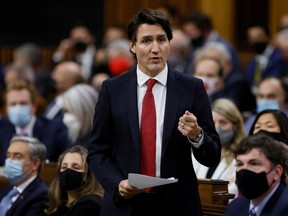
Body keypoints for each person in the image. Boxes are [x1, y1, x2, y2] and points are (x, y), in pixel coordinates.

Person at [88, 8, 221, 216]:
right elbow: (97, 151)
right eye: (146, 41)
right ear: (132, 45)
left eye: (161, 40)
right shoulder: (112, 90)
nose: (155, 48)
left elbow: (212, 156)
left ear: (170, 42)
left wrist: (197, 135)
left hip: (177, 205)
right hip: (126, 205)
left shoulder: (192, 88)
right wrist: (117, 183)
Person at [0, 80, 71, 166]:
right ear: (6, 109)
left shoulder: (55, 129)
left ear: (34, 106)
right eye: (13, 104)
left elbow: (67, 159)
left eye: (23, 103)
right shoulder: (2, 131)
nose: (18, 108)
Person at [224, 133, 288, 216]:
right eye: (240, 164)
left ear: (277, 172)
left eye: (254, 164)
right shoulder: (235, 207)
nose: (244, 170)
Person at [192, 98, 247, 195]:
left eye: (223, 122)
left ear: (235, 125)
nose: (217, 127)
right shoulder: (199, 150)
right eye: (213, 122)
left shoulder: (243, 154)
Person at [45, 145, 103, 216]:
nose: (68, 171)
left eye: (75, 167)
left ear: (87, 175)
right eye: (64, 167)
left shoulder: (90, 204)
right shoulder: (61, 203)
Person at [0, 136, 48, 216]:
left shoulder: (41, 195)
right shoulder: (8, 189)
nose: (9, 161)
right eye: (8, 156)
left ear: (35, 164)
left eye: (17, 156)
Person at [246, 25, 285, 94]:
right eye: (252, 38)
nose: (255, 41)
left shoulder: (279, 58)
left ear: (267, 37)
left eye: (259, 37)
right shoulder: (253, 60)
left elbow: (273, 80)